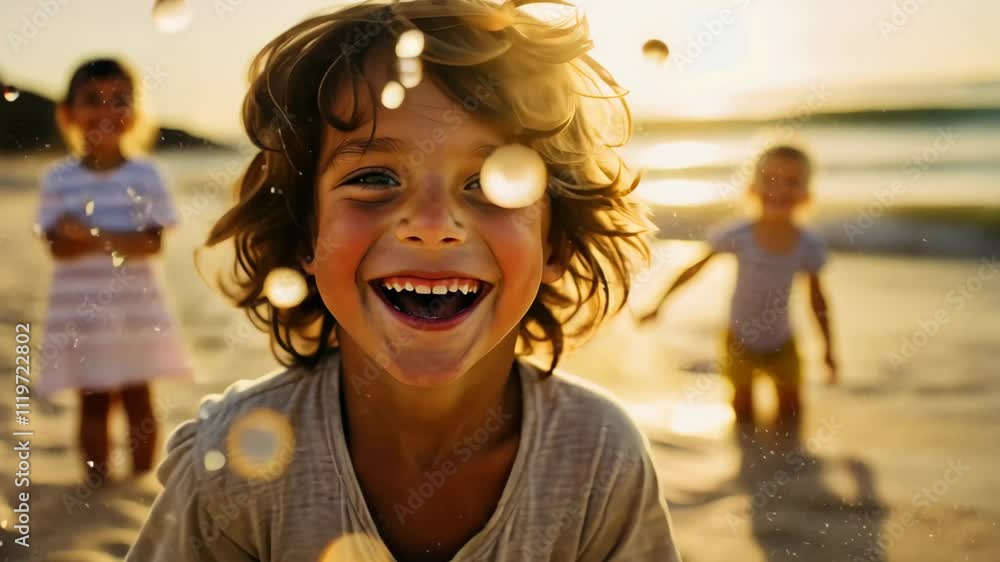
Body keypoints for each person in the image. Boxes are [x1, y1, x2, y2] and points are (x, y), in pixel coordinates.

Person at [127, 1, 680, 561]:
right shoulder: (231, 466)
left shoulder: (598, 461)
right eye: (373, 177)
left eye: (493, 183)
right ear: (304, 234)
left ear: (554, 242)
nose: (434, 226)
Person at [36, 58, 192, 482]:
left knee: (139, 395)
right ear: (68, 112)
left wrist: (92, 234)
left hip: (135, 309)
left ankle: (142, 481)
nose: (107, 111)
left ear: (137, 110)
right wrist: (96, 238)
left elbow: (151, 244)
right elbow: (59, 249)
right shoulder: (58, 178)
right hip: (81, 311)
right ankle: (97, 486)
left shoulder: (146, 174)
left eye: (119, 100)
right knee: (93, 399)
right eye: (92, 100)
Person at [639, 145, 836, 433]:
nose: (780, 189)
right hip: (739, 341)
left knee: (791, 413)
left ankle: (788, 464)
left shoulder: (808, 244)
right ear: (752, 188)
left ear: (807, 194)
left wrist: (828, 350)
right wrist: (660, 305)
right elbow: (695, 269)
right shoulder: (737, 235)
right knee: (742, 414)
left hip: (784, 343)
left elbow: (817, 299)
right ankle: (751, 471)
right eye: (770, 179)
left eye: (792, 182)